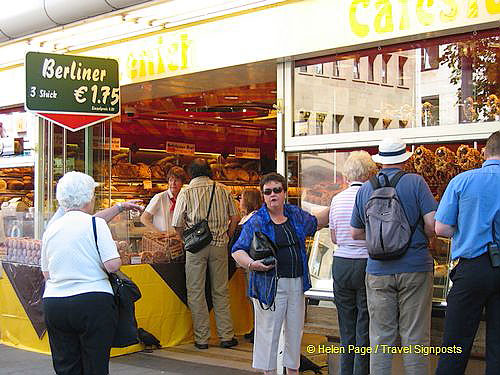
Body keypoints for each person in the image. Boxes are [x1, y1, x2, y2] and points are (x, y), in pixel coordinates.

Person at [350, 137, 437, 375]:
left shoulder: (366, 188)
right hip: (415, 268)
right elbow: (432, 225)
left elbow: (355, 232)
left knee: (380, 339)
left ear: (380, 161)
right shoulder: (416, 183)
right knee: (416, 338)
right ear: (405, 159)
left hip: (377, 271)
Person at [232, 172, 318, 375]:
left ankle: (292, 370)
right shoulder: (257, 220)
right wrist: (253, 264)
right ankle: (269, 372)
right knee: (268, 332)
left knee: (295, 331)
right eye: (268, 192)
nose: (273, 195)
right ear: (263, 196)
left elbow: (315, 222)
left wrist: (341, 204)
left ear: (285, 193)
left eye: (277, 190)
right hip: (270, 285)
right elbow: (237, 250)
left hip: (296, 283)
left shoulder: (294, 213)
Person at [41, 171, 122, 375]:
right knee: (95, 364)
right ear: (87, 198)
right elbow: (112, 265)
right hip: (93, 301)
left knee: (66, 365)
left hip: (55, 303)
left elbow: (46, 273)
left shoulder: (51, 228)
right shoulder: (96, 224)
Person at [434, 131, 500, 375]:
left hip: (471, 268)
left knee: (455, 345)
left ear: (485, 151)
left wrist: (466, 226)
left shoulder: (462, 181)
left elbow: (441, 228)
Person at [172, 158, 240, 350]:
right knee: (220, 290)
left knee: (196, 291)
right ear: (209, 171)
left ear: (191, 173)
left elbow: (177, 222)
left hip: (195, 248)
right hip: (219, 244)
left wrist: (186, 240)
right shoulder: (223, 189)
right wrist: (228, 233)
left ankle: (202, 339)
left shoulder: (186, 192)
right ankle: (226, 336)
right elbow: (235, 216)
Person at [329, 151, 377, 375]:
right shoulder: (372, 196)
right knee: (364, 326)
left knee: (346, 327)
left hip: (341, 263)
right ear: (370, 173)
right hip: (366, 263)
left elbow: (335, 238)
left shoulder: (336, 199)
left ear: (347, 174)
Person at [141, 166, 188, 233]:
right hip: (162, 241)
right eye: (171, 180)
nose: (173, 183)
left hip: (178, 239)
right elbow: (144, 218)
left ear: (182, 183)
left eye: (176, 180)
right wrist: (158, 233)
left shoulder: (184, 198)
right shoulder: (159, 197)